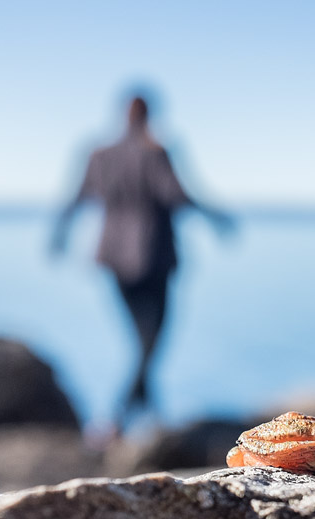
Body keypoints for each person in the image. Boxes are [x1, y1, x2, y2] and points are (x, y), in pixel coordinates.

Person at [52, 94, 232, 435]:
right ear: (149, 114)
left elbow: (77, 197)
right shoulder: (155, 152)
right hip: (153, 258)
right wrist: (217, 218)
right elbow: (177, 194)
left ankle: (150, 416)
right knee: (150, 340)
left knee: (141, 341)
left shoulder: (100, 154)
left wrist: (59, 235)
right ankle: (118, 417)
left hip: (114, 258)